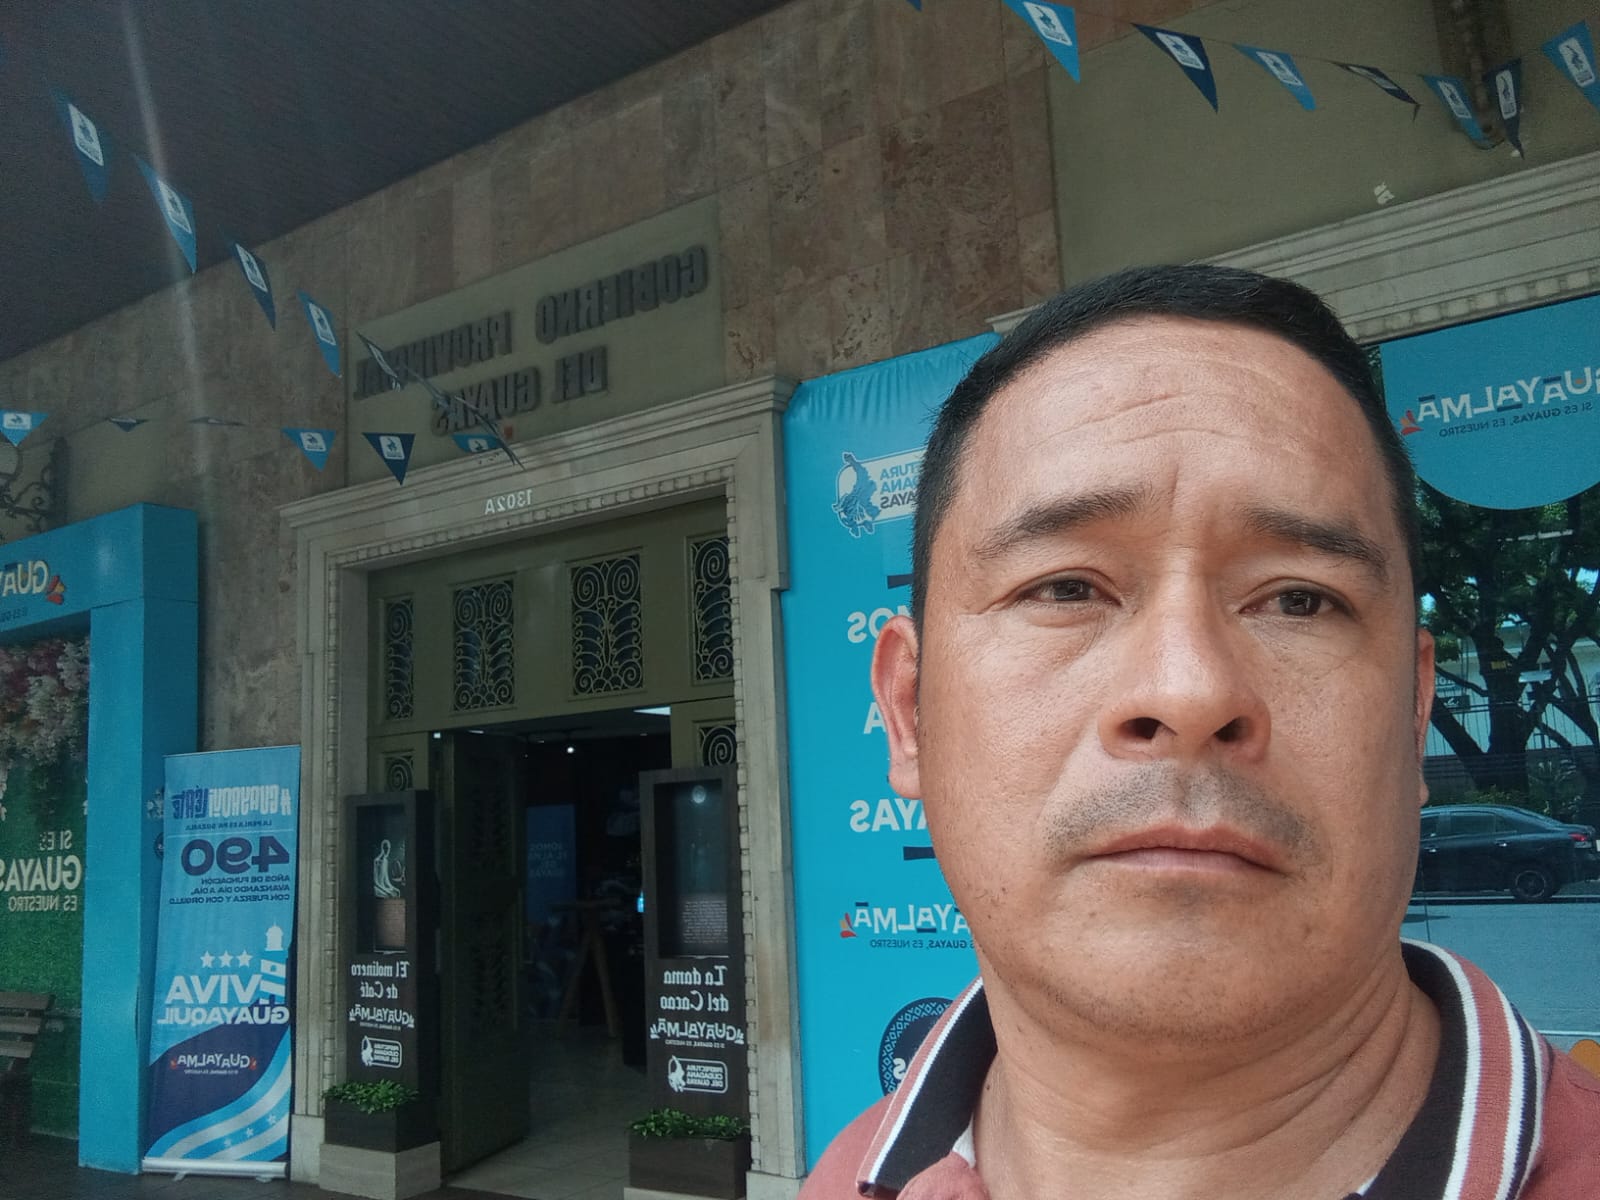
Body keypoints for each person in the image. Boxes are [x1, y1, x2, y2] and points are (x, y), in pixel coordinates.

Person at [802, 266, 1600, 1200]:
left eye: (1299, 600)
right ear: (910, 713)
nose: (1187, 692)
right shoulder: (845, 1179)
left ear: (1414, 709)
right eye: (1066, 588)